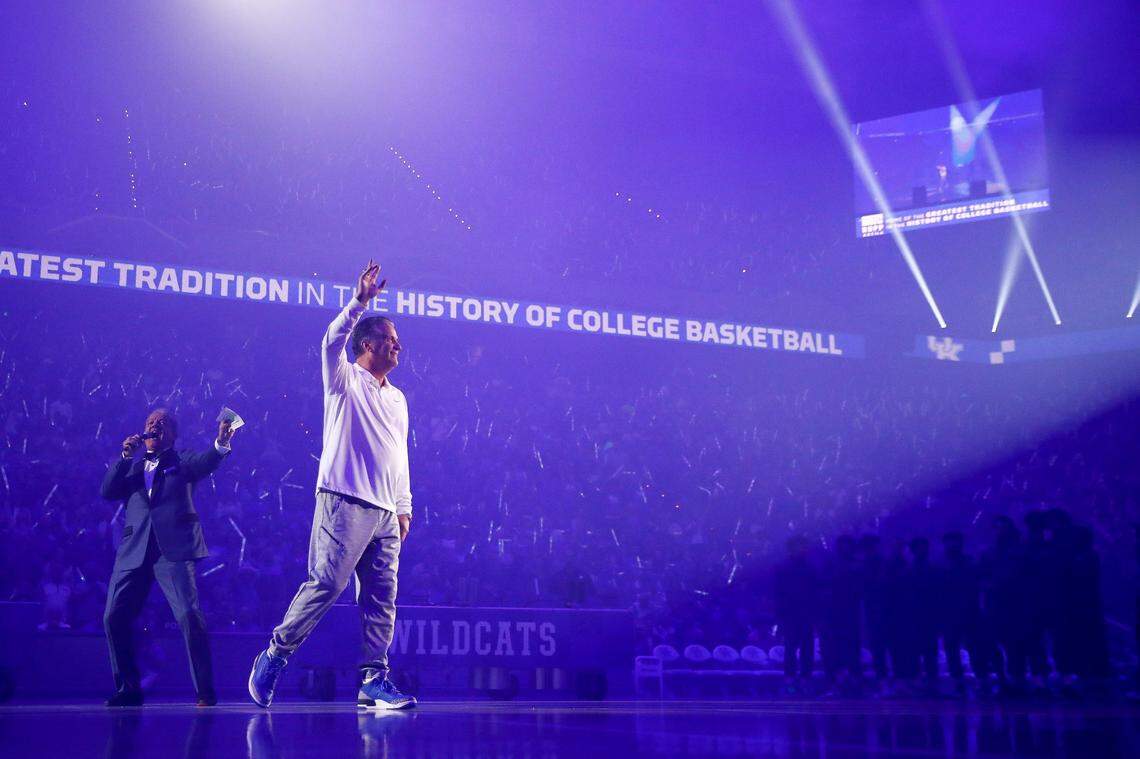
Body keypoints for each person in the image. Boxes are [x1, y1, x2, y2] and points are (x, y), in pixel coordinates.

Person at [248, 261, 416, 710]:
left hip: (386, 513)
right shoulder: (343, 379)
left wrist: (403, 507)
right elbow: (330, 340)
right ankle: (275, 655)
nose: (398, 344)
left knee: (382, 599)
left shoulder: (398, 397)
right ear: (367, 344)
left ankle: (373, 680)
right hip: (344, 501)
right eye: (390, 338)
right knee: (327, 584)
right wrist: (360, 301)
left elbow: (399, 453)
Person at [100, 408, 235, 706]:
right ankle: (128, 689)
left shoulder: (181, 460)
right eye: (150, 422)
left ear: (172, 434)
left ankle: (204, 690)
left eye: (161, 422)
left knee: (188, 614)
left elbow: (206, 461)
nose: (154, 425)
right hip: (134, 549)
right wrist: (125, 457)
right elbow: (107, 491)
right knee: (114, 617)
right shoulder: (132, 467)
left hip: (172, 550)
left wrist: (221, 443)